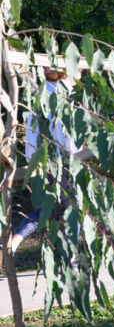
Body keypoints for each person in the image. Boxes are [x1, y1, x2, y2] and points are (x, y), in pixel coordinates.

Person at [8, 68, 78, 259]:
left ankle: (12, 245)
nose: (80, 71)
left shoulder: (41, 94)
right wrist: (76, 155)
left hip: (43, 161)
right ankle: (72, 258)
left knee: (48, 206)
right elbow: (68, 137)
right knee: (74, 208)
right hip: (61, 162)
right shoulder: (59, 97)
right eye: (77, 68)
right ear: (65, 73)